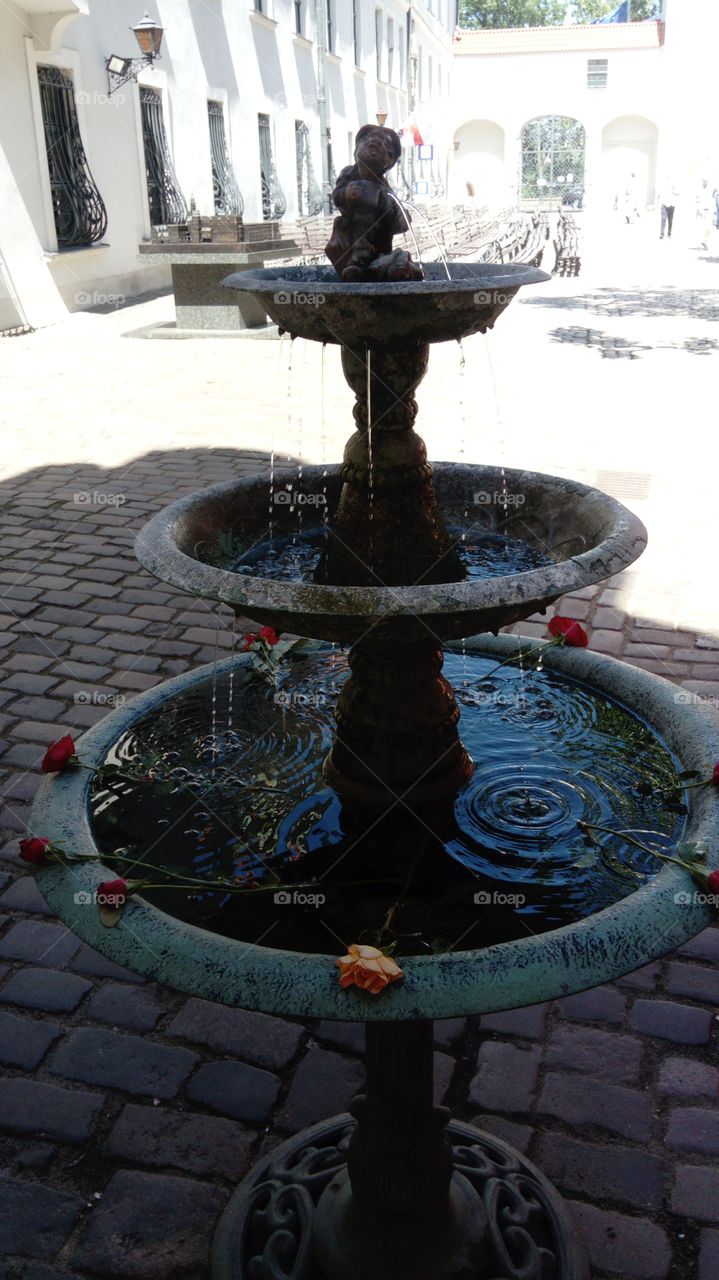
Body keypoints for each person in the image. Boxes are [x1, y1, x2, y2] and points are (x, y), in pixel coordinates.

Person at [696, 177, 714, 249]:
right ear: (702, 182)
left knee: (709, 228)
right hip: (702, 211)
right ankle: (704, 243)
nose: (706, 182)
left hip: (709, 211)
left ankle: (704, 241)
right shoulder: (699, 190)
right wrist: (698, 210)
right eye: (704, 181)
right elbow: (697, 201)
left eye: (707, 181)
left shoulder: (710, 190)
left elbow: (712, 201)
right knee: (702, 228)